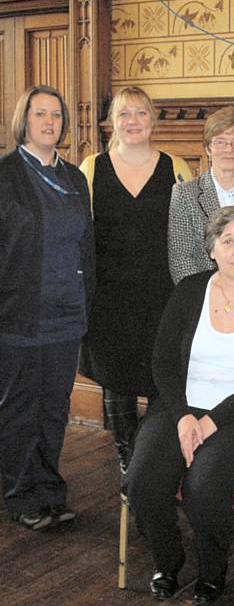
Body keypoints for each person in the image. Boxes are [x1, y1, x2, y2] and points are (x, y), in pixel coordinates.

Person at [126, 206, 234, 605]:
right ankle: (168, 560)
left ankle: (213, 570)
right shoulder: (189, 290)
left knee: (204, 486)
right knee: (142, 480)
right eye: (228, 241)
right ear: (212, 250)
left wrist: (212, 420)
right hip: (179, 408)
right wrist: (184, 415)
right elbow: (163, 362)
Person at [78, 86, 191, 474]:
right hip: (109, 297)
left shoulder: (176, 166)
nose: (132, 122)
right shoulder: (91, 168)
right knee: (117, 379)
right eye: (124, 114)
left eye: (140, 113)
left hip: (162, 295)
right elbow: (80, 235)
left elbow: (189, 234)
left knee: (162, 376)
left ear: (153, 120)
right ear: (112, 122)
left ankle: (154, 457)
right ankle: (127, 457)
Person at [0, 85, 94, 530]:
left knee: (54, 408)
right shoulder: (5, 174)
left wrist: (87, 304)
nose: (49, 122)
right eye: (40, 114)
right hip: (18, 315)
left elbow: (86, 247)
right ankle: (21, 497)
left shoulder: (75, 178)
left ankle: (50, 489)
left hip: (65, 315)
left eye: (56, 115)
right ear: (25, 120)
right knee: (20, 408)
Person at [168, 106, 234, 284]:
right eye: (220, 142)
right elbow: (181, 259)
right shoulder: (184, 194)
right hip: (201, 296)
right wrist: (210, 293)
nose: (229, 149)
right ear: (208, 148)